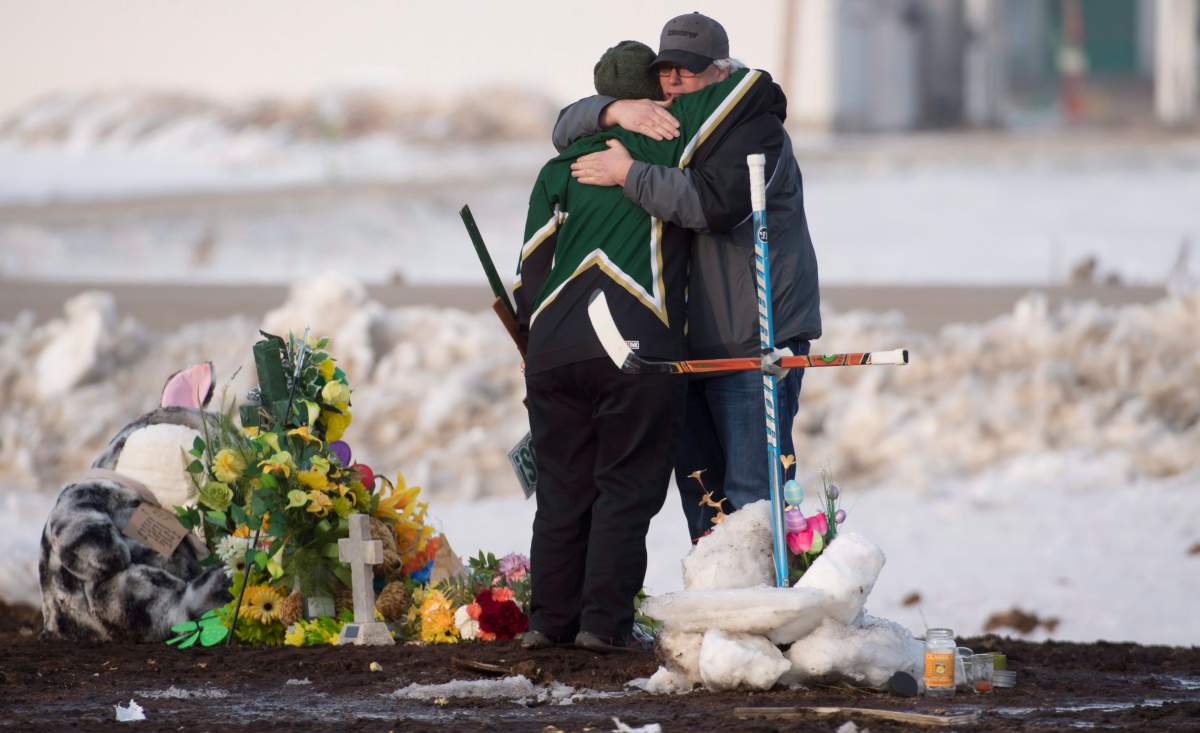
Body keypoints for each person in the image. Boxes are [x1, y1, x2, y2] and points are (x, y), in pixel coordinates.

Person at [515, 40, 787, 650]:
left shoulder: (554, 170)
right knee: (625, 488)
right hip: (635, 341)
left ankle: (546, 624)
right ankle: (603, 628)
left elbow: (531, 271)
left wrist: (540, 339)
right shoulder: (671, 146)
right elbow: (740, 99)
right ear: (653, 94)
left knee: (561, 492)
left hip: (553, 347)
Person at [554, 12, 823, 543]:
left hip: (754, 338)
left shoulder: (753, 127)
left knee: (755, 496)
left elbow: (715, 204)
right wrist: (613, 110)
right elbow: (564, 129)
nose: (674, 80)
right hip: (688, 342)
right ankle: (719, 611)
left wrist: (626, 174)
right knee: (703, 497)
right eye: (666, 69)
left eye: (690, 70)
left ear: (720, 70)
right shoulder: (668, 124)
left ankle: (767, 611)